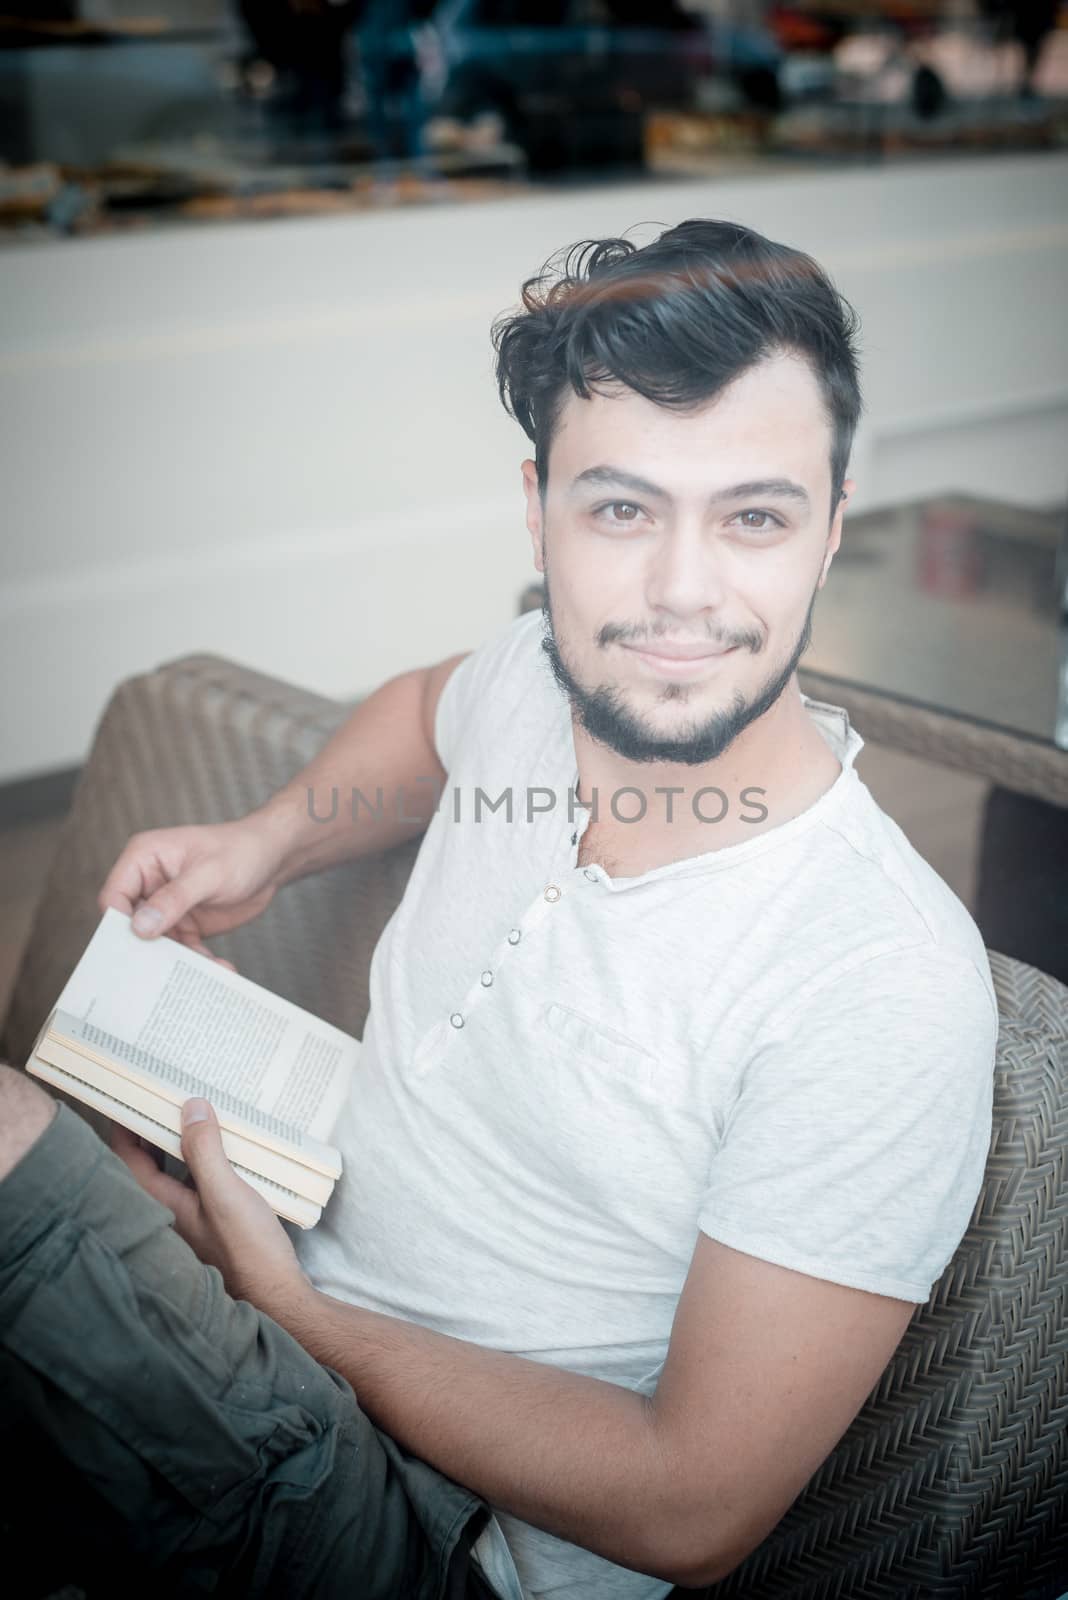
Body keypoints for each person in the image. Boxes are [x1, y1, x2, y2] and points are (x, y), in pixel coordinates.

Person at [0, 220, 998, 1600]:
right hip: (272, 1300)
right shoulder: (538, 673)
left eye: (754, 516)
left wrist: (293, 1312)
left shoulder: (875, 980)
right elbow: (427, 711)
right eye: (621, 508)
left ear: (833, 529)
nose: (683, 592)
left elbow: (690, 1504)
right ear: (537, 509)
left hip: (437, 1537)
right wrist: (270, 843)